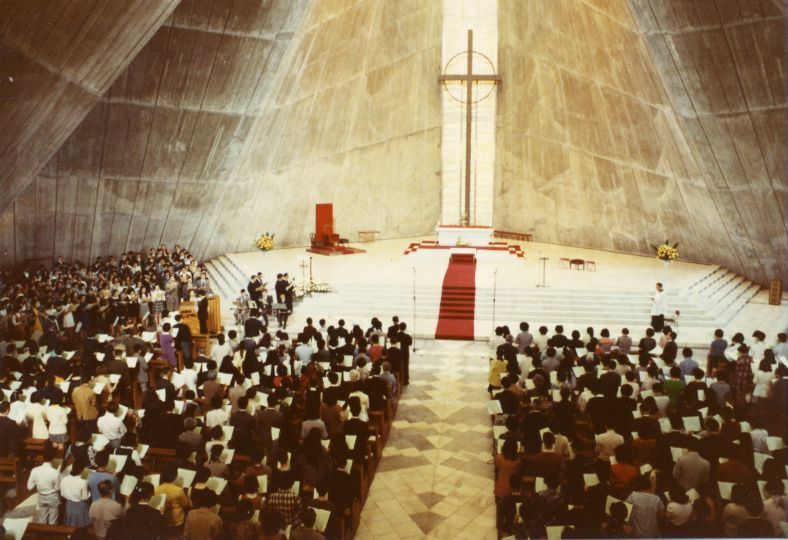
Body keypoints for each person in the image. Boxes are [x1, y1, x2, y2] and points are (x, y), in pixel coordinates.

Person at [27, 446, 60, 524]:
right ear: (53, 459)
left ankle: (42, 530)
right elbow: (58, 488)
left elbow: (29, 487)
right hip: (52, 496)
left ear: (42, 458)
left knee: (42, 519)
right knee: (53, 520)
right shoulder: (55, 472)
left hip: (41, 496)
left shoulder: (35, 470)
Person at [61, 462, 91, 527]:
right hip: (81, 507)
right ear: (82, 470)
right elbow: (85, 497)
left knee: (69, 526)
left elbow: (62, 494)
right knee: (81, 527)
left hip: (69, 506)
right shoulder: (83, 482)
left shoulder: (64, 479)